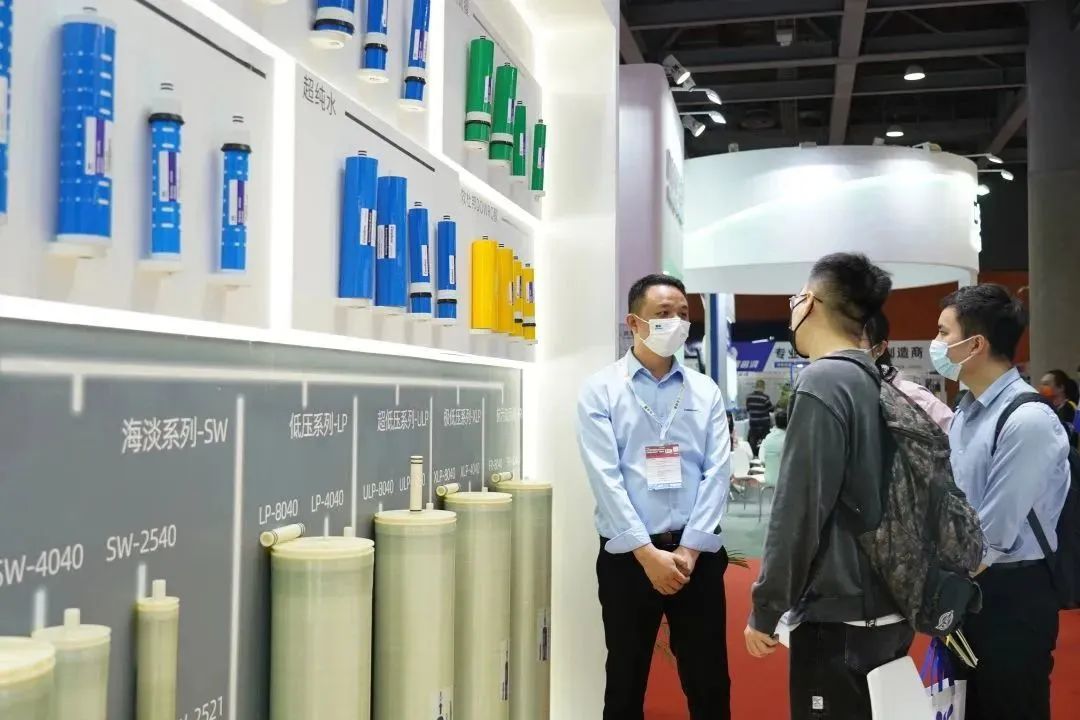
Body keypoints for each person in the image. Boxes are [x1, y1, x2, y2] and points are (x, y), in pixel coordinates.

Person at [745, 253, 912, 720]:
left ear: (811, 302)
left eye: (797, 296)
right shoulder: (875, 379)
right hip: (889, 605)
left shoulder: (823, 381)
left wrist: (766, 609)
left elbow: (798, 512)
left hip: (840, 617)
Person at [577, 273, 732, 720]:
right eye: (664, 314)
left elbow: (717, 472)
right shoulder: (601, 390)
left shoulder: (705, 390)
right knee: (625, 682)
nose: (677, 323)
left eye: (683, 314)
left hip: (696, 558)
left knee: (709, 682)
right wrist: (646, 555)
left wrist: (689, 550)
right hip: (629, 559)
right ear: (634, 322)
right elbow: (605, 478)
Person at [934, 285, 1071, 720]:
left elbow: (990, 536)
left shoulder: (1027, 420)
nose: (936, 344)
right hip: (966, 588)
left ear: (975, 344)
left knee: (1010, 706)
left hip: (1012, 596)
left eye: (943, 333)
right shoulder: (967, 412)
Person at [864, 312, 954, 431]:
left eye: (854, 339)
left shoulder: (916, 399)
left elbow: (955, 437)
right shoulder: (840, 397)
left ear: (879, 348)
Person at [1040, 369, 1078, 445]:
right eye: (1041, 384)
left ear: (1061, 387)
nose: (1042, 387)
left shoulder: (1069, 408)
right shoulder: (1051, 409)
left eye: (1046, 384)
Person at [757, 409, 786, 489]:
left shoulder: (768, 437)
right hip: (785, 481)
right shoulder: (789, 439)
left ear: (775, 423)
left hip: (769, 479)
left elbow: (762, 459)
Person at [745, 379, 774, 455]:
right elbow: (771, 409)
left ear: (756, 386)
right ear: (763, 387)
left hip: (753, 424)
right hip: (764, 424)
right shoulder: (765, 397)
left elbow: (748, 409)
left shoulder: (749, 397)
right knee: (765, 442)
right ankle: (763, 455)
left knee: (753, 442)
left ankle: (753, 456)